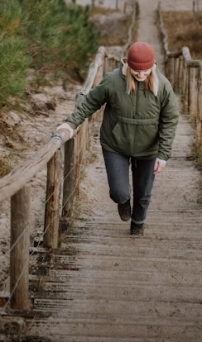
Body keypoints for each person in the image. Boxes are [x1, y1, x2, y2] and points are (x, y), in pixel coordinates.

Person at [56, 41, 179, 236]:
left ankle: (138, 224)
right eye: (136, 70)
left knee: (143, 194)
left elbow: (170, 120)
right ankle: (123, 201)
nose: (141, 75)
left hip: (148, 148)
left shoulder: (163, 85)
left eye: (145, 71)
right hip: (116, 144)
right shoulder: (113, 81)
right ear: (127, 64)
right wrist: (71, 124)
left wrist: (163, 154)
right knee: (118, 192)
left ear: (153, 66)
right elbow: (90, 102)